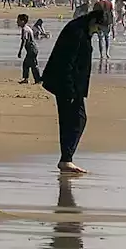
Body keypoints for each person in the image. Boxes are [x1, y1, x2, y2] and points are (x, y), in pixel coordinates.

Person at [41, 9, 106, 175]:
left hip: (69, 84)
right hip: (66, 84)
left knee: (71, 120)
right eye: (99, 28)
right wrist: (70, 90)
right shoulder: (77, 32)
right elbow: (67, 62)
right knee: (77, 120)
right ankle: (66, 159)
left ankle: (66, 159)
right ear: (93, 21)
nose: (98, 32)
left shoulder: (82, 29)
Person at [18, 14, 42, 83]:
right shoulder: (27, 28)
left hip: (32, 49)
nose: (17, 22)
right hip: (32, 49)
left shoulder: (24, 29)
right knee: (26, 64)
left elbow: (24, 40)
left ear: (23, 21)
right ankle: (27, 79)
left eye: (18, 20)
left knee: (33, 65)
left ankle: (37, 80)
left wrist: (20, 51)